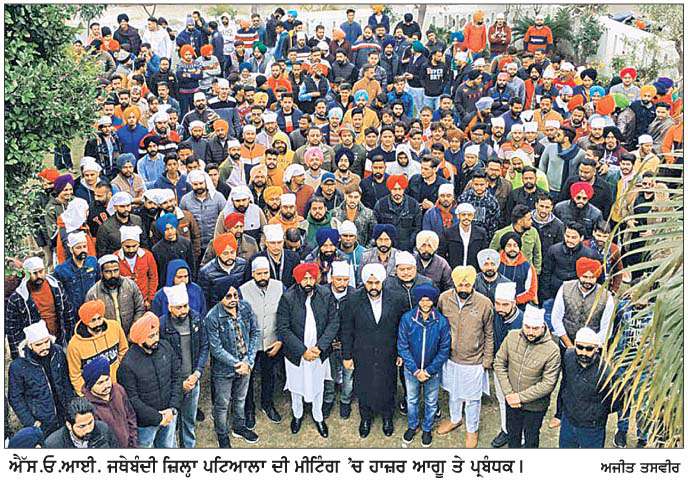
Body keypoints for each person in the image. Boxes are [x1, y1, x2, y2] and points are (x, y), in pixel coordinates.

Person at [549, 257, 615, 429]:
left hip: (592, 349)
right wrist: (571, 347)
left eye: (592, 277)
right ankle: (560, 413)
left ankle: (586, 415)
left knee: (588, 382)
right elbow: (556, 319)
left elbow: (606, 329)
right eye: (585, 276)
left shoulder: (606, 296)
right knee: (566, 379)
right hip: (567, 343)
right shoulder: (565, 288)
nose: (588, 280)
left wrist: (589, 347)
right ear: (579, 275)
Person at [342, 263, 407, 438]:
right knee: (363, 385)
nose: (373, 287)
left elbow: (402, 328)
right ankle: (365, 418)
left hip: (388, 352)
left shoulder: (396, 298)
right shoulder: (353, 300)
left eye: (377, 283)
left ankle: (387, 417)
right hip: (362, 352)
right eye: (369, 283)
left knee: (388, 384)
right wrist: (347, 356)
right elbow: (347, 330)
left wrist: (401, 352)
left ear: (382, 282)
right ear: (364, 282)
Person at [277, 263, 339, 438]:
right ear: (298, 280)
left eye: (311, 278)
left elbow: (333, 322)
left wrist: (320, 347)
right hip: (296, 353)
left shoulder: (325, 294)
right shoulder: (288, 298)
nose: (308, 281)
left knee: (318, 385)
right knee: (296, 386)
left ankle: (318, 416)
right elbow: (283, 328)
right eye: (304, 278)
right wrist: (302, 351)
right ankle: (297, 415)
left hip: (319, 351)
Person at [436, 266, 494, 448]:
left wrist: (487, 360)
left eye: (467, 285)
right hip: (450, 358)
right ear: (454, 283)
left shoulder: (484, 303)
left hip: (474, 360)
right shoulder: (444, 299)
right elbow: (438, 324)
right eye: (460, 285)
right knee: (453, 392)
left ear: (473, 284)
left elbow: (489, 333)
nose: (463, 288)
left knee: (472, 398)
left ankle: (472, 429)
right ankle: (455, 419)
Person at [493, 304, 560, 447]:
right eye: (527, 327)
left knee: (531, 438)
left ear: (543, 326)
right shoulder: (512, 336)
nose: (530, 332)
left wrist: (519, 397)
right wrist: (509, 394)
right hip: (512, 401)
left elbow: (548, 384)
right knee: (513, 435)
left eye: (535, 328)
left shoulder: (552, 350)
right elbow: (499, 363)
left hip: (534, 406)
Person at [205, 280, 261, 447]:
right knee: (222, 404)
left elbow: (255, 332)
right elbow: (216, 349)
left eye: (235, 295)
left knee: (240, 399)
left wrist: (248, 361)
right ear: (220, 298)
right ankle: (222, 434)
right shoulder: (212, 317)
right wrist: (238, 364)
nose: (233, 299)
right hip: (224, 370)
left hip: (246, 365)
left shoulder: (245, 308)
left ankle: (239, 427)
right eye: (228, 296)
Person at [118, 312, 182, 448]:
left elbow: (177, 377)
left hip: (169, 414)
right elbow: (132, 400)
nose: (156, 338)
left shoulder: (165, 347)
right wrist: (158, 418)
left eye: (157, 333)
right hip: (145, 425)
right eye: (151, 336)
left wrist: (172, 408)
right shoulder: (127, 365)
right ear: (140, 339)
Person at [398, 284, 451, 447]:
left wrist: (429, 370)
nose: (425, 303)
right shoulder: (407, 319)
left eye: (429, 300)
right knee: (412, 399)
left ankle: (427, 428)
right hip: (411, 370)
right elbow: (402, 346)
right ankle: (412, 425)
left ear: (433, 301)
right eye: (422, 300)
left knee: (431, 400)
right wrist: (414, 370)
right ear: (418, 300)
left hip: (432, 372)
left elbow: (444, 349)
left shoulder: (441, 321)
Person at [159, 283, 208, 448]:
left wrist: (197, 373)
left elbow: (204, 347)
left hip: (193, 380)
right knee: (171, 424)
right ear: (170, 307)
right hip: (172, 385)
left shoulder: (196, 319)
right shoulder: (162, 326)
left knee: (189, 420)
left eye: (185, 306)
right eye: (178, 307)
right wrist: (179, 383)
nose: (183, 310)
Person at [8, 320, 75, 437]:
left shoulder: (58, 352)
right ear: (29, 345)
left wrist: (71, 406)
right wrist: (31, 422)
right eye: (38, 345)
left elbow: (66, 381)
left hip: (64, 414)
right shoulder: (18, 366)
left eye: (46, 342)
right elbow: (15, 398)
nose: (44, 347)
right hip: (42, 422)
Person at [240, 257, 285, 426]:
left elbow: (285, 315)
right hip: (250, 344)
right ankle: (249, 409)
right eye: (259, 274)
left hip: (272, 341)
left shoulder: (279, 287)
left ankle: (268, 404)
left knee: (269, 375)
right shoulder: (243, 290)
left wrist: (280, 340)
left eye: (265, 273)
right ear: (253, 274)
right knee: (248, 378)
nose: (263, 277)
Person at [6, 257, 76, 360]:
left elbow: (68, 313)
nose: (39, 276)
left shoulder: (56, 286)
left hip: (58, 340)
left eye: (41, 271)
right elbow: (12, 331)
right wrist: (19, 358)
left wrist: (70, 338)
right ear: (26, 274)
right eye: (34, 273)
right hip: (35, 348)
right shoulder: (18, 298)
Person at [559, 328, 618, 448]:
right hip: (568, 422)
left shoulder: (605, 372)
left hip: (592, 428)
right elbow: (565, 384)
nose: (584, 353)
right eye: (580, 347)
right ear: (575, 344)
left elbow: (616, 402)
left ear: (597, 349)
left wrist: (595, 414)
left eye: (589, 349)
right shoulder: (568, 356)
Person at [66, 299, 128, 394]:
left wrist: (122, 374)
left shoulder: (115, 327)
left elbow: (123, 350)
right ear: (85, 322)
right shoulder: (74, 345)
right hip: (95, 393)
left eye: (99, 318)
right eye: (93, 320)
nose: (98, 323)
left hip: (119, 385)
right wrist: (85, 394)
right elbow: (75, 375)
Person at [490, 282, 523, 448]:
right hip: (499, 367)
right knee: (502, 400)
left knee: (518, 403)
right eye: (498, 304)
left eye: (505, 305)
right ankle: (506, 429)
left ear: (514, 303)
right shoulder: (496, 315)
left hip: (518, 371)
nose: (500, 308)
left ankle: (520, 436)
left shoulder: (523, 322)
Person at [82, 355, 138, 448]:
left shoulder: (118, 390)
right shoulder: (88, 406)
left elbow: (130, 416)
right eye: (100, 383)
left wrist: (133, 443)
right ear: (90, 386)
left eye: (107, 379)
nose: (106, 385)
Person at [85, 254, 145, 335]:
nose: (113, 275)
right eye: (108, 272)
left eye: (115, 270)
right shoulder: (93, 293)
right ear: (101, 273)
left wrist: (133, 331)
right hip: (108, 336)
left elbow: (140, 308)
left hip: (131, 334)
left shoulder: (130, 285)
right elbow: (91, 320)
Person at [54, 231, 101, 316]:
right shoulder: (61, 270)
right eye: (78, 248)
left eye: (84, 246)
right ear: (71, 250)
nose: (83, 250)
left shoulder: (93, 262)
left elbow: (99, 283)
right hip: (74, 312)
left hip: (92, 308)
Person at [44, 397, 120, 448]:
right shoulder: (53, 445)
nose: (88, 429)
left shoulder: (103, 430)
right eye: (82, 426)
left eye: (90, 423)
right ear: (69, 425)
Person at [116, 225, 158, 310]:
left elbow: (153, 277)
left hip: (144, 300)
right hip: (124, 302)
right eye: (127, 247)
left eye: (134, 246)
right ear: (122, 244)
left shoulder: (147, 256)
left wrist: (150, 299)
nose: (131, 250)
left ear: (138, 244)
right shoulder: (115, 258)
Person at [438, 202, 490, 270]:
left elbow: (484, 255)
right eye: (463, 215)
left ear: (473, 216)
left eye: (469, 215)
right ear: (458, 216)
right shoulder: (448, 233)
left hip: (474, 272)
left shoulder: (481, 233)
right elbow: (441, 254)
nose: (466, 217)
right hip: (453, 272)